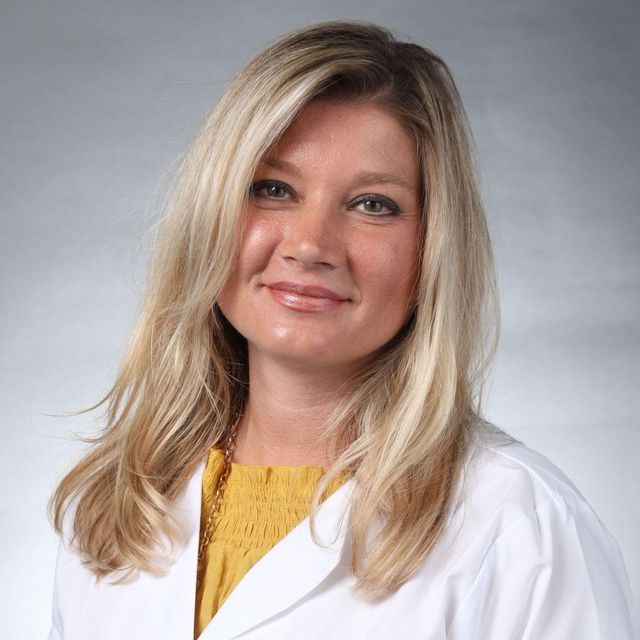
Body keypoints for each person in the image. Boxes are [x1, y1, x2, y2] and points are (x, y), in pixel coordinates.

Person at [47, 20, 637, 640]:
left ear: (433, 248)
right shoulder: (109, 511)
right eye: (273, 189)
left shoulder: (523, 531)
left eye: (372, 204)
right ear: (209, 215)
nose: (309, 245)